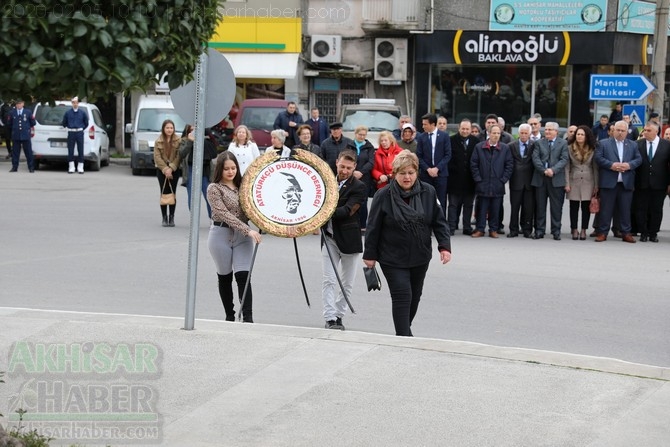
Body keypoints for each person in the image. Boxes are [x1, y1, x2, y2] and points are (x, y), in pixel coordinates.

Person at [363, 150, 452, 337]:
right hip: (392, 256)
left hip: (420, 256)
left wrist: (444, 247)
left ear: (417, 173)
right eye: (402, 173)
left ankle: (405, 330)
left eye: (411, 172)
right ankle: (404, 337)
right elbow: (373, 227)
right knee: (402, 295)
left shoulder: (428, 191)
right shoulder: (383, 195)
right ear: (394, 174)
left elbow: (439, 221)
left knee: (414, 297)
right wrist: (369, 255)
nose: (407, 177)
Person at [207, 151, 262, 322]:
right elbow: (223, 214)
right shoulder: (214, 189)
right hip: (220, 235)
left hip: (243, 238)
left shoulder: (244, 188)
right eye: (226, 169)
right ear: (220, 170)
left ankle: (248, 318)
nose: (231, 172)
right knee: (224, 277)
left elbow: (255, 209)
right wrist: (248, 230)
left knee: (244, 277)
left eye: (233, 168)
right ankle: (229, 316)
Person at [321, 149, 367, 330]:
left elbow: (348, 211)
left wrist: (322, 210)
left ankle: (340, 314)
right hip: (329, 239)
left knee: (346, 283)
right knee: (329, 280)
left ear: (354, 167)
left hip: (349, 240)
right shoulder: (325, 182)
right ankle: (330, 317)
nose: (344, 171)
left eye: (349, 168)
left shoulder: (359, 187)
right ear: (336, 163)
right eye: (342, 166)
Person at [594, 120, 642, 242]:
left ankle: (626, 232)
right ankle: (602, 232)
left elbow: (638, 159)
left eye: (623, 131)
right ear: (613, 130)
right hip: (609, 182)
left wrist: (629, 165)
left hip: (626, 182)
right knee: (606, 209)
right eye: (618, 130)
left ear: (627, 132)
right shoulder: (603, 143)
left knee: (625, 209)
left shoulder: (633, 145)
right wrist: (611, 165)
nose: (620, 133)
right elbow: (598, 158)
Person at [470, 124, 513, 238]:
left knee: (495, 209)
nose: (496, 135)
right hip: (482, 183)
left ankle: (493, 229)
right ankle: (480, 229)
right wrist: (478, 179)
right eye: (494, 133)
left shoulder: (505, 148)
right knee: (481, 208)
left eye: (498, 133)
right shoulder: (479, 147)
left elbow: (509, 166)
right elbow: (474, 164)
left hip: (497, 184)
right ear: (489, 133)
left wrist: (503, 180)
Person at [531, 122, 569, 240]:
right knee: (540, 207)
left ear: (556, 132)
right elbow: (535, 158)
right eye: (546, 129)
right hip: (541, 178)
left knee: (556, 207)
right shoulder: (539, 143)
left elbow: (564, 159)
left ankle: (556, 230)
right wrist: (544, 170)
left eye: (550, 130)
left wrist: (553, 170)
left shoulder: (563, 143)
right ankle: (539, 230)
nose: (547, 131)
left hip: (556, 179)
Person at [634, 121, 670, 242]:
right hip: (641, 182)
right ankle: (643, 232)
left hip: (659, 183)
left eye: (649, 130)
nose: (645, 132)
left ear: (656, 131)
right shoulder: (638, 144)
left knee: (656, 209)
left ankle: (653, 233)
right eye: (644, 130)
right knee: (641, 208)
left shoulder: (666, 145)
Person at [564, 125, 598, 240]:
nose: (579, 136)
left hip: (589, 180)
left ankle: (584, 229)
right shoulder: (569, 148)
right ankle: (574, 229)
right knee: (573, 206)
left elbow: (595, 168)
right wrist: (567, 183)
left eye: (582, 134)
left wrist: (596, 185)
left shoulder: (592, 148)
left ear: (586, 136)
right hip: (574, 179)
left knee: (585, 207)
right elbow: (567, 167)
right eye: (578, 134)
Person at [179, 125, 219, 219]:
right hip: (190, 169)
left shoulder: (206, 140)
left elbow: (214, 154)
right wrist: (190, 141)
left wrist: (203, 142)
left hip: (205, 170)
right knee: (192, 196)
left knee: (208, 195)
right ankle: (194, 219)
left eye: (196, 129)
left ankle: (212, 218)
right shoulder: (185, 140)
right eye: (192, 130)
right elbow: (182, 154)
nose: (194, 132)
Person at [415, 113, 451, 215]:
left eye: (425, 124)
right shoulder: (422, 137)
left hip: (441, 174)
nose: (423, 126)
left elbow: (448, 155)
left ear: (433, 124)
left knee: (441, 200)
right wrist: (428, 169)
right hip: (426, 175)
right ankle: (426, 224)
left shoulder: (444, 136)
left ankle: (441, 225)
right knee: (426, 199)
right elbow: (419, 156)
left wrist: (437, 168)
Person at [447, 118, 477, 235]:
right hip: (454, 179)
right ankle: (451, 227)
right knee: (453, 205)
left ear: (471, 130)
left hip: (470, 179)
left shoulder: (475, 141)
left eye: (467, 129)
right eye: (463, 128)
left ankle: (467, 227)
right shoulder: (451, 140)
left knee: (468, 205)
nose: (465, 131)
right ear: (459, 128)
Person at [507, 123, 536, 238]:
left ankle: (527, 229)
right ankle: (513, 229)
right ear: (518, 133)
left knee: (528, 208)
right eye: (522, 133)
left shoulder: (534, 145)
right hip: (516, 180)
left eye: (526, 133)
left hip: (529, 181)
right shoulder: (511, 145)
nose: (524, 135)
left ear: (529, 134)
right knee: (515, 207)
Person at [345, 125, 375, 231]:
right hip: (351, 176)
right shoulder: (349, 145)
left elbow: (371, 162)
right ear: (355, 134)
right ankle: (351, 223)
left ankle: (362, 225)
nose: (362, 137)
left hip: (364, 177)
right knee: (350, 200)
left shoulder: (369, 147)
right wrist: (352, 171)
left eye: (364, 135)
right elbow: (346, 158)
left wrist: (361, 172)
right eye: (360, 134)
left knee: (363, 201)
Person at [153, 119, 182, 227]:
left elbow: (179, 156)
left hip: (174, 171)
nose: (169, 130)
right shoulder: (158, 141)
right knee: (164, 192)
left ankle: (172, 217)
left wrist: (171, 168)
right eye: (167, 128)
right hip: (161, 171)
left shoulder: (178, 140)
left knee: (172, 193)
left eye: (171, 128)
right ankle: (164, 217)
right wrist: (165, 169)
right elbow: (157, 157)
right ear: (163, 129)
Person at [7, 99, 36, 173]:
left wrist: (26, 128)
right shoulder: (12, 112)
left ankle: (31, 167)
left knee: (28, 152)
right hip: (16, 135)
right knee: (15, 152)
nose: (18, 105)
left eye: (20, 103)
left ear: (23, 104)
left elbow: (33, 122)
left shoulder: (28, 112)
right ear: (16, 105)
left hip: (25, 135)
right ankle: (14, 167)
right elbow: (9, 123)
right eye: (17, 104)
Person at [61, 96, 89, 174]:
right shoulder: (68, 113)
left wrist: (81, 128)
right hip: (71, 132)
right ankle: (71, 167)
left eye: (76, 103)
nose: (75, 104)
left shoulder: (82, 113)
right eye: (73, 103)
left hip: (79, 132)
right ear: (72, 103)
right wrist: (68, 128)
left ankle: (80, 167)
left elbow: (86, 123)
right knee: (70, 150)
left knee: (80, 149)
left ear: (78, 103)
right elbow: (64, 123)